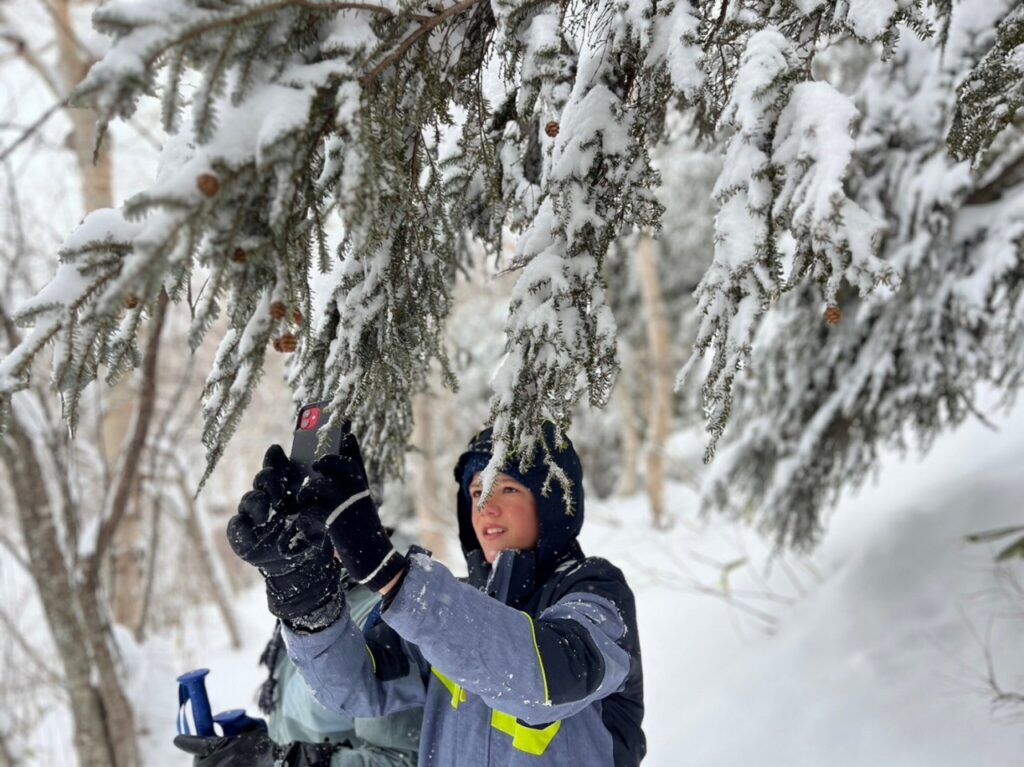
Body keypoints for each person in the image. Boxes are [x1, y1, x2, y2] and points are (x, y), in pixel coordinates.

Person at [228, 424, 645, 766]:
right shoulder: (453, 605)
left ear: (552, 502)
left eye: (508, 489)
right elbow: (357, 687)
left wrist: (390, 574)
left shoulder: (595, 591)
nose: (486, 508)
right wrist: (306, 600)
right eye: (477, 492)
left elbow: (547, 682)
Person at [175, 446, 421, 766]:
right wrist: (255, 745)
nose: (300, 525)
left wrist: (278, 761)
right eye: (295, 507)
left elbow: (404, 761)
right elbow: (313, 730)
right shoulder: (309, 603)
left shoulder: (389, 614)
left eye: (320, 504)